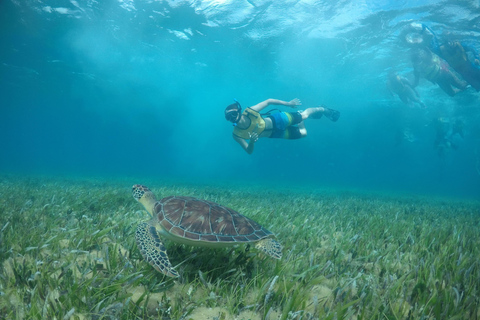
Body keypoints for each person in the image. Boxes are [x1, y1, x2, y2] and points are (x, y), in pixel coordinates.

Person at [224, 98, 340, 154]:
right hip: (275, 134)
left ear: (239, 111)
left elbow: (268, 101)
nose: (233, 118)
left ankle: (323, 109)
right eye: (229, 117)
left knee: (304, 116)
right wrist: (252, 142)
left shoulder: (250, 112)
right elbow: (249, 151)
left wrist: (288, 104)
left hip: (278, 120)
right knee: (304, 134)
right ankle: (300, 114)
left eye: (233, 114)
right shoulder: (236, 134)